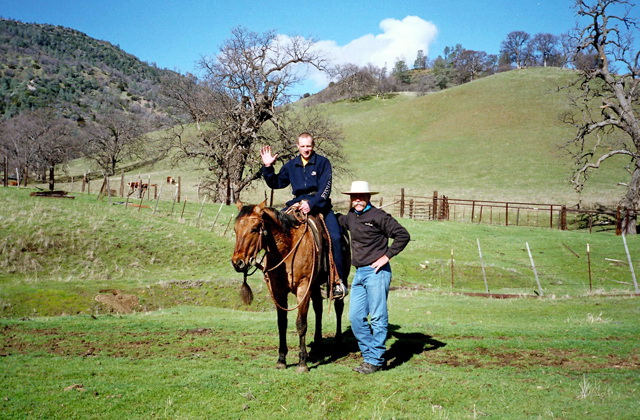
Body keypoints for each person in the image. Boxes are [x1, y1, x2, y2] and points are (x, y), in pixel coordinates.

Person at [260, 132, 346, 299]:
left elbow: (325, 189)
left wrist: (311, 203)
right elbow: (276, 183)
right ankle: (271, 271)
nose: (306, 149)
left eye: (309, 146)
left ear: (313, 146)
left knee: (335, 237)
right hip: (296, 204)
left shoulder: (323, 163)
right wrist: (268, 167)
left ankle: (337, 281)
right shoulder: (291, 165)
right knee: (274, 229)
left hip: (319, 205)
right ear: (297, 146)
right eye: (303, 146)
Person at [338, 181, 410, 374]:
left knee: (378, 317)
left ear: (369, 197)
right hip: (359, 273)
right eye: (354, 197)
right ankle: (371, 356)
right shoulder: (351, 216)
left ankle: (374, 360)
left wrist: (386, 257)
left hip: (377, 273)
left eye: (361, 196)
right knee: (355, 317)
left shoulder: (379, 216)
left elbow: (403, 235)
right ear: (351, 199)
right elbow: (337, 221)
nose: (358, 200)